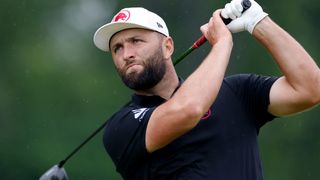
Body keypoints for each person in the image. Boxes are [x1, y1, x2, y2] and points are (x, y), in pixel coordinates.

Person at [93, 0, 320, 179]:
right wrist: (222, 43)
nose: (126, 54)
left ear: (167, 46)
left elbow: (310, 88)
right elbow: (189, 109)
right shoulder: (121, 127)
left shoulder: (237, 93)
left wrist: (259, 22)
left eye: (136, 41)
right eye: (117, 48)